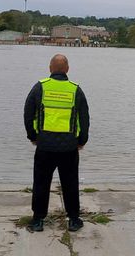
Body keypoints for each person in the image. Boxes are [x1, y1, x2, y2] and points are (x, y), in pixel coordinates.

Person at [23, 54, 90, 232]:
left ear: (50, 68)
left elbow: (28, 113)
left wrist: (33, 137)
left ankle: (38, 220)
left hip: (45, 146)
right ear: (67, 69)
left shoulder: (40, 88)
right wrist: (82, 141)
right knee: (70, 183)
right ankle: (74, 220)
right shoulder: (76, 90)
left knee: (41, 183)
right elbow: (84, 118)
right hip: (69, 147)